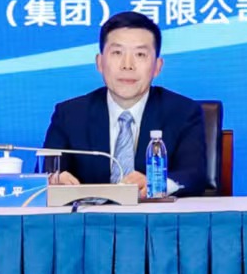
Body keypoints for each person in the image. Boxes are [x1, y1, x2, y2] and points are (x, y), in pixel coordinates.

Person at [42, 11, 209, 196]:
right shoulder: (70, 115)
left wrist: (157, 184)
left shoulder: (183, 112)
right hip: (88, 214)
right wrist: (53, 180)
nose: (127, 65)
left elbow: (194, 176)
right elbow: (45, 174)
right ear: (99, 63)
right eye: (117, 53)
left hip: (154, 214)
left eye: (140, 54)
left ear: (157, 67)